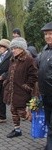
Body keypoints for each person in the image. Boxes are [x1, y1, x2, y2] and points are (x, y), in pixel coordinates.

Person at [3, 37, 38, 138]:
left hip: (22, 91)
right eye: (12, 48)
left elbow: (34, 75)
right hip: (12, 90)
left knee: (23, 112)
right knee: (13, 110)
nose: (13, 50)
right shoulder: (13, 59)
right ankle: (17, 129)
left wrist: (27, 86)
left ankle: (40, 126)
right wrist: (6, 82)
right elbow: (10, 73)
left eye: (15, 48)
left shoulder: (28, 60)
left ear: (22, 48)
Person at [38, 21, 52, 150]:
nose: (48, 36)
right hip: (45, 94)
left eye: (50, 34)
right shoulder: (45, 49)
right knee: (48, 122)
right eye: (46, 34)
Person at [0, 39, 12, 124]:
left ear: (5, 48)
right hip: (0, 82)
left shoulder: (11, 56)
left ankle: (21, 114)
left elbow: (12, 68)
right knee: (0, 99)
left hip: (8, 81)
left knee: (13, 99)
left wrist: (4, 76)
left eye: (0, 47)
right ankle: (2, 117)